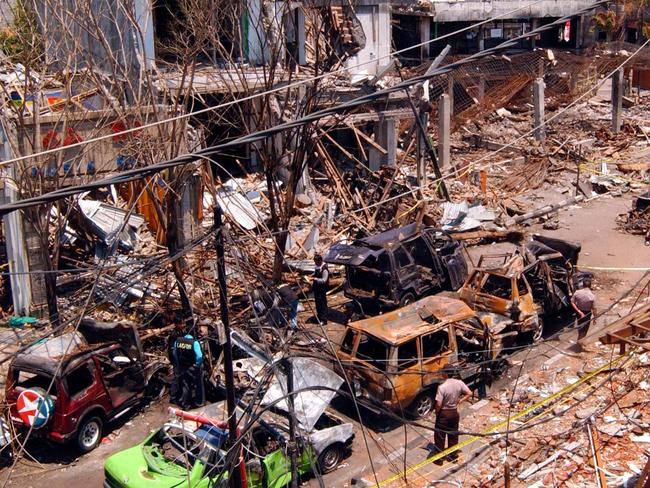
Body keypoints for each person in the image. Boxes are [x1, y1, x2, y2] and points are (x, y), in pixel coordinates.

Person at [432, 369, 472, 464]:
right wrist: (460, 401)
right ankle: (452, 456)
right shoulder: (459, 383)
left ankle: (439, 459)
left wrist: (437, 412)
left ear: (445, 374)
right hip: (454, 413)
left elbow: (438, 404)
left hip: (444, 414)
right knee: (453, 435)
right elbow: (469, 393)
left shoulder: (442, 387)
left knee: (440, 436)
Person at [171, 330, 205, 409]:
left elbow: (174, 354)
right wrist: (197, 364)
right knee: (198, 385)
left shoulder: (178, 341)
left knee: (185, 385)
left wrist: (178, 363)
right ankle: (199, 403)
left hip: (183, 367)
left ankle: (186, 404)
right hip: (192, 367)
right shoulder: (194, 343)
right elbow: (199, 356)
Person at [571, 278, 596, 344]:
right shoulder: (592, 296)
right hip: (587, 313)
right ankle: (580, 342)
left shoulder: (577, 292)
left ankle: (580, 340)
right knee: (585, 328)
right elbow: (594, 308)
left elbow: (572, 302)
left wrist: (579, 312)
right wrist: (595, 318)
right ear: (590, 286)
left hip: (579, 312)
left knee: (580, 326)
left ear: (583, 285)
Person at [312, 254, 329, 324]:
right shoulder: (317, 266)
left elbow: (324, 280)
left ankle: (324, 319)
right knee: (318, 303)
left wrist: (315, 279)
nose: (316, 263)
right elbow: (315, 273)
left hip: (322, 288)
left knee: (322, 303)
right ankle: (319, 317)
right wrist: (311, 276)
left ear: (320, 261)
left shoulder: (324, 269)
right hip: (317, 288)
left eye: (317, 262)